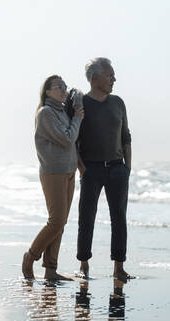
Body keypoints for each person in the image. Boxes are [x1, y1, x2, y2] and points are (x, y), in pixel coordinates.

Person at [22, 75, 85, 280]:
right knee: (56, 221)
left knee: (61, 222)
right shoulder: (46, 113)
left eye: (64, 87)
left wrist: (79, 165)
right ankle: (30, 256)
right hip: (53, 172)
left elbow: (73, 142)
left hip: (68, 172)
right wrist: (77, 118)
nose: (63, 90)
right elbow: (67, 139)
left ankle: (50, 270)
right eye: (58, 87)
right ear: (47, 91)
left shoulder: (63, 112)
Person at [76, 57, 133, 282]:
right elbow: (74, 139)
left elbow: (126, 135)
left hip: (118, 170)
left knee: (119, 217)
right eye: (110, 75)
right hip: (91, 170)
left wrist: (128, 167)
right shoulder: (81, 104)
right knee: (86, 217)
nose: (114, 79)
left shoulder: (118, 102)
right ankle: (83, 265)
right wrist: (82, 169)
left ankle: (119, 268)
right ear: (95, 78)